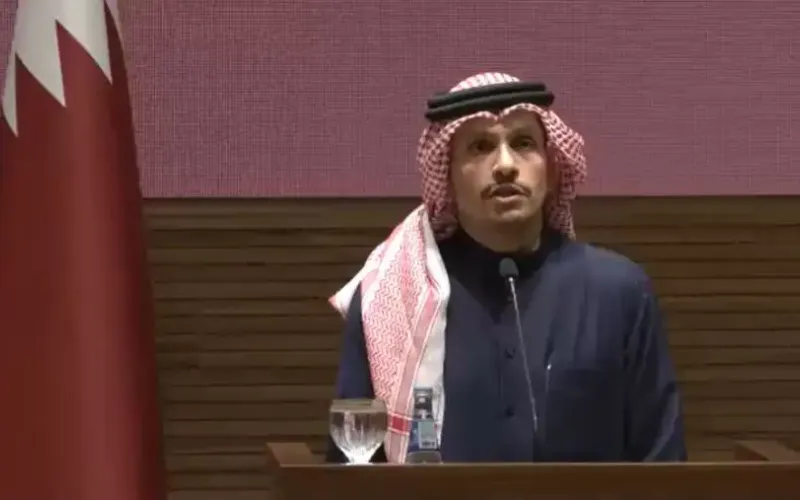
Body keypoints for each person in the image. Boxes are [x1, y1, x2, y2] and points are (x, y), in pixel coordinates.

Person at [326, 72, 687, 464]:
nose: (504, 165)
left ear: (551, 169)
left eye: (523, 143)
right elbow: (352, 465)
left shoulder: (620, 292)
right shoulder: (392, 297)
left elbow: (664, 462)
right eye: (480, 147)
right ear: (446, 175)